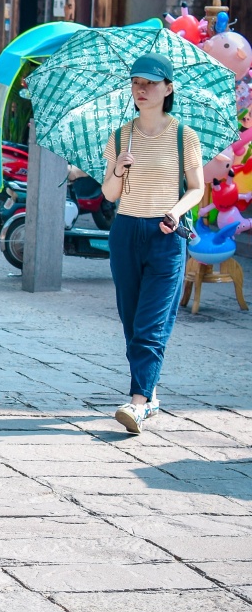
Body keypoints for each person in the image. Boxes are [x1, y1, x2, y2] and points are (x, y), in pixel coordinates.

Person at [101, 52, 204, 435]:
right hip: (126, 232)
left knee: (152, 323)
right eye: (135, 83)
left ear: (168, 88)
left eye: (150, 83)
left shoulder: (183, 136)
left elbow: (197, 189)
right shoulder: (120, 136)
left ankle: (138, 403)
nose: (141, 90)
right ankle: (151, 392)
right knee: (132, 320)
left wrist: (176, 212)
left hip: (166, 234)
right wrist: (117, 168)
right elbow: (110, 195)